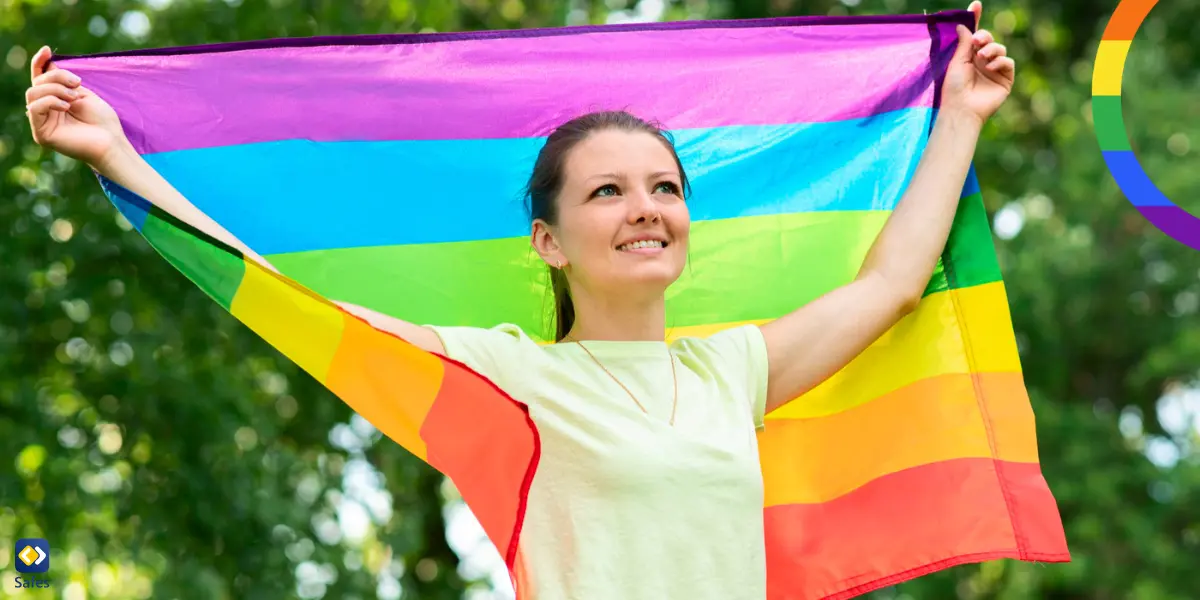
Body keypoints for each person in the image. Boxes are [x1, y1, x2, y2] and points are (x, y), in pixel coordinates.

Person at [24, 2, 1013, 598]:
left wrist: (960, 115)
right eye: (609, 191)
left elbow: (890, 284)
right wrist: (116, 153)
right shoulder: (514, 371)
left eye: (666, 189)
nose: (647, 210)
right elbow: (302, 304)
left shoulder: (731, 370)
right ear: (548, 241)